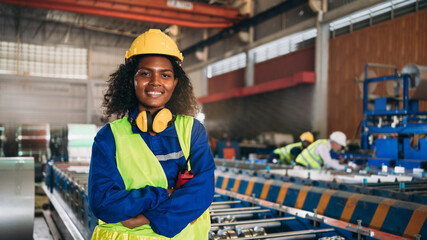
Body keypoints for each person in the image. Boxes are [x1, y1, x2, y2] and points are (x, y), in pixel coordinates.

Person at [88, 29, 214, 240]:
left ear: (175, 83)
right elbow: (104, 203)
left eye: (165, 75)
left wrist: (143, 218)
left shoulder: (192, 130)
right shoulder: (109, 137)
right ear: (131, 80)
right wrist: (165, 194)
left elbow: (202, 192)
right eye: (145, 73)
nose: (156, 81)